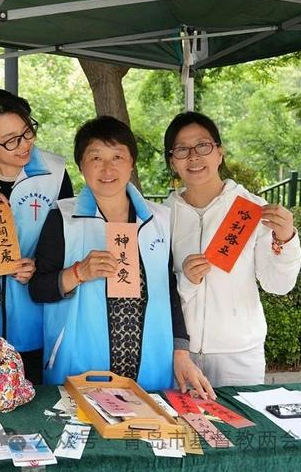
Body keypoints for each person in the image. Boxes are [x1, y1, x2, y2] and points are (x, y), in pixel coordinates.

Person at [30, 116, 213, 396]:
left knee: (147, 422)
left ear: (131, 163)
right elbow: (38, 289)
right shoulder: (62, 217)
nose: (107, 168)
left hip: (151, 362)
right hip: (80, 365)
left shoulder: (158, 219)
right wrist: (78, 273)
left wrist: (181, 350)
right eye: (96, 158)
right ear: (81, 166)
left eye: (117, 157)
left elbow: (168, 289)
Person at [163, 111, 301, 387]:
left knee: (238, 416)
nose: (193, 157)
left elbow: (278, 284)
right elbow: (157, 288)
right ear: (172, 162)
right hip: (178, 354)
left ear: (219, 152)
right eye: (182, 149)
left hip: (239, 354)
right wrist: (185, 280)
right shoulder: (162, 216)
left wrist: (285, 239)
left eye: (203, 146)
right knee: (182, 418)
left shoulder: (250, 209)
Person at [0, 89, 73, 384]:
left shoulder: (54, 173)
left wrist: (39, 265)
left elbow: (67, 238)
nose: (24, 145)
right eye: (10, 140)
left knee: (33, 392)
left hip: (36, 314)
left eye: (27, 132)